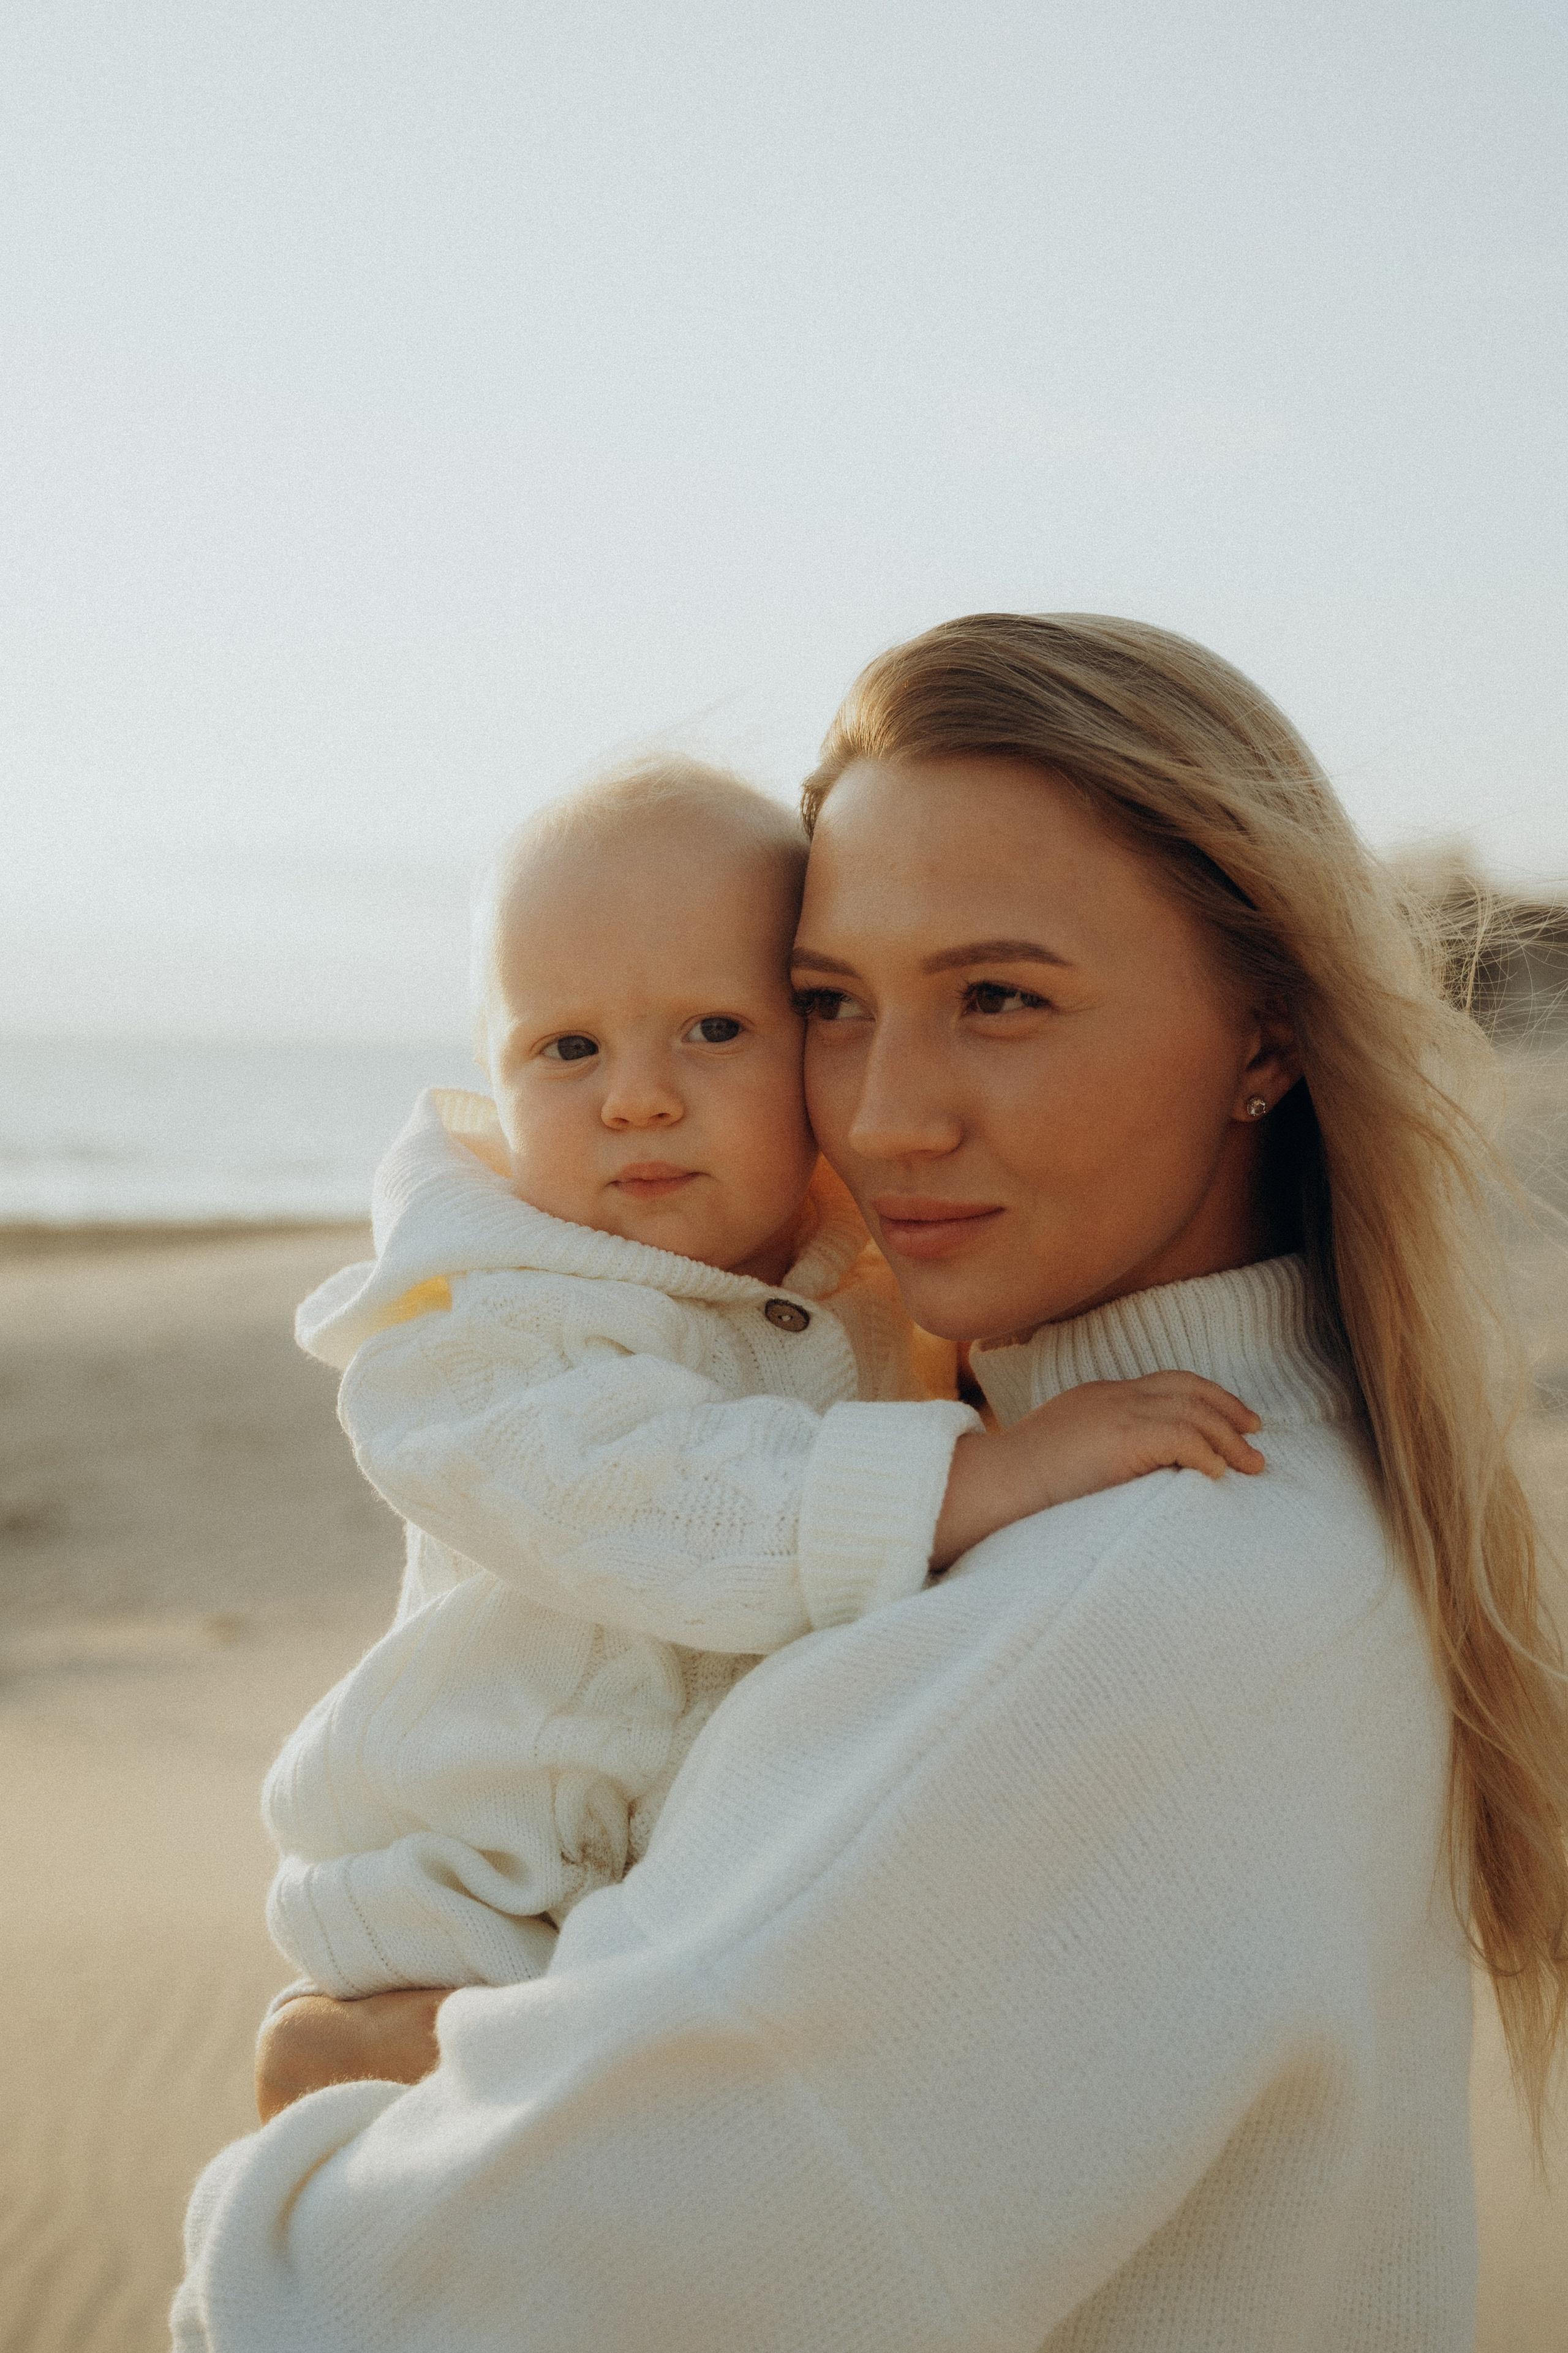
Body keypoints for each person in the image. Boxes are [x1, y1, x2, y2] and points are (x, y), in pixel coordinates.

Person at [176, 616, 1568, 2353]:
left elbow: (375, 2318)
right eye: (830, 1005)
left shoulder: (1122, 1597)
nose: (890, 1114)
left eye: (1001, 996)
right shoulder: (1259, 1477)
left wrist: (328, 2103)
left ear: (1267, 1039)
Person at [261, 755, 1260, 2043]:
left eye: (714, 1029)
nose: (636, 1095)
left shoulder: (854, 1266)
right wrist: (988, 1479)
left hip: (666, 1890)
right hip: (464, 1904)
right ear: (492, 1081)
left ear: (812, 1038)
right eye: (565, 1047)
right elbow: (653, 1498)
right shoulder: (475, 1323)